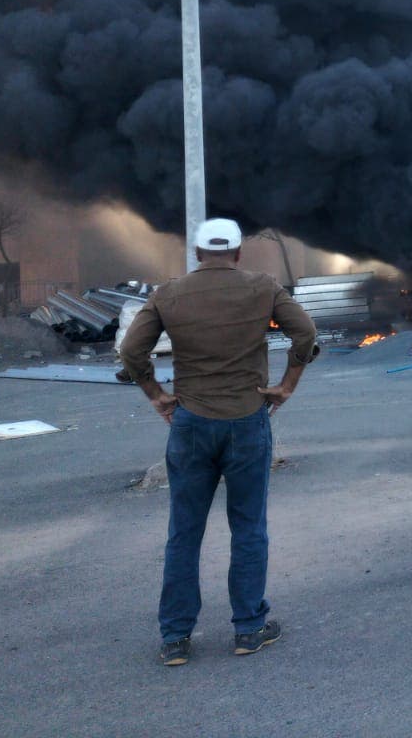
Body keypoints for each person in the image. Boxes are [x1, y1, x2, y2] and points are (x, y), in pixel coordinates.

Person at [120, 218, 318, 666]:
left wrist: (157, 396)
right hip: (248, 419)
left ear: (196, 254)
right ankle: (249, 629)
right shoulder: (263, 286)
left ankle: (175, 638)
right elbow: (305, 333)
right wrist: (285, 386)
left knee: (184, 533)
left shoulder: (169, 293)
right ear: (238, 253)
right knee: (248, 528)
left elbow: (132, 351)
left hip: (190, 423)